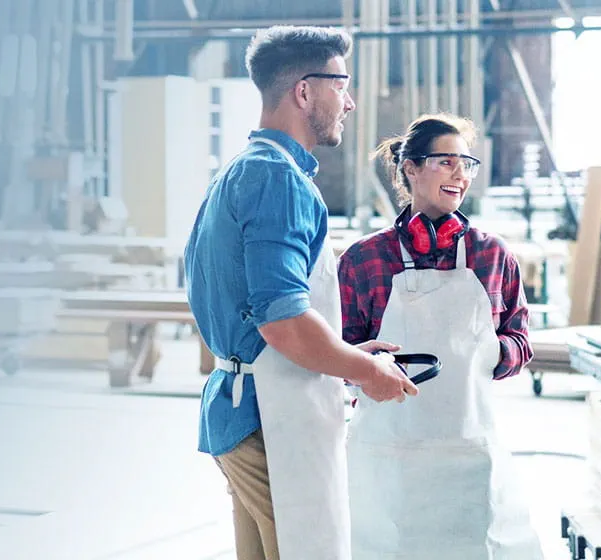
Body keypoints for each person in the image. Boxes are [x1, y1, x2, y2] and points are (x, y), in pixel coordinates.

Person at [183, 26, 419, 560]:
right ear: (305, 91)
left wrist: (347, 353)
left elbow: (249, 310)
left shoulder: (242, 171)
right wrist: (365, 372)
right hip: (271, 419)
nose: (351, 102)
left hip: (242, 408)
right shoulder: (279, 180)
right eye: (342, 85)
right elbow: (282, 321)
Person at [336, 113, 544, 559]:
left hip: (469, 455)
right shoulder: (364, 259)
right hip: (386, 459)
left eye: (466, 163)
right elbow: (337, 355)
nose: (459, 174)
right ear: (410, 168)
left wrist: (488, 352)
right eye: (445, 161)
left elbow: (520, 340)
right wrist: (361, 364)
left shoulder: (492, 255)